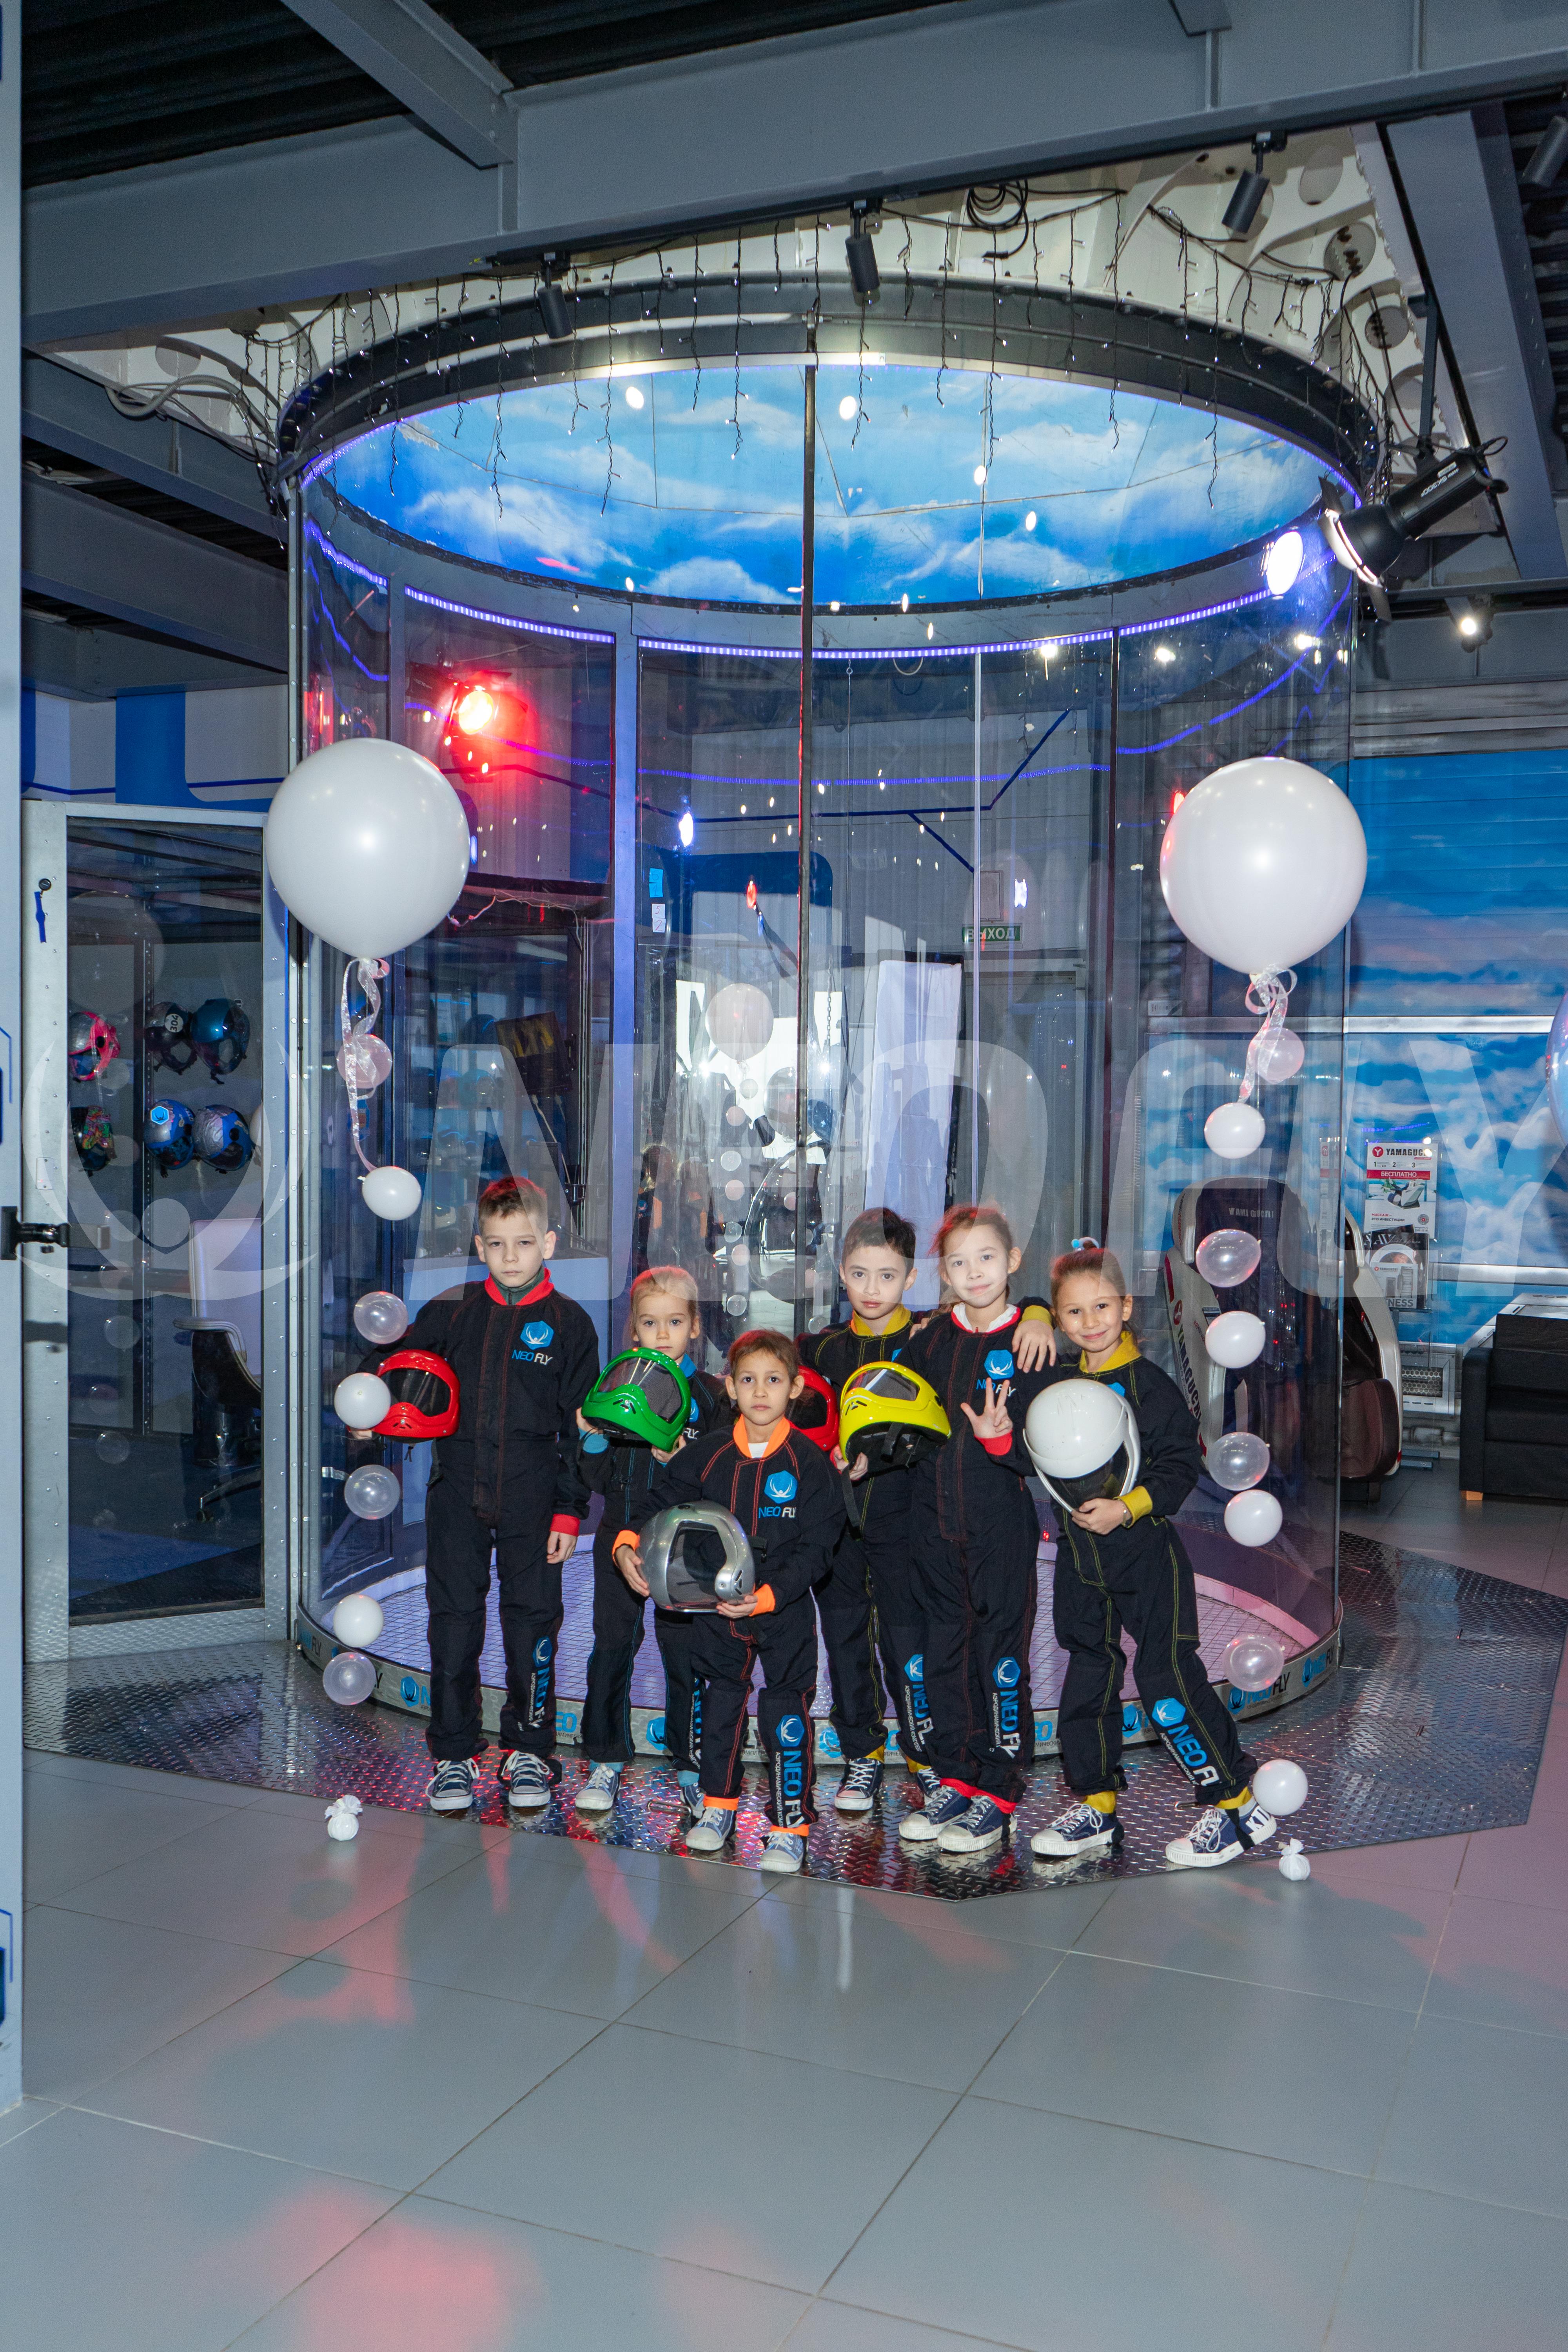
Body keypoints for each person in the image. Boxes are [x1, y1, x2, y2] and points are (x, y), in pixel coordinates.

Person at [350, 1174, 599, 1815]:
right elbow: (398, 1372)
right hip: (456, 1490)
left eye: (524, 1242)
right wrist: (369, 1410)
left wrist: (569, 1508)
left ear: (548, 1242)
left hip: (535, 1495)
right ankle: (454, 1753)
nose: (510, 1256)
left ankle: (530, 1750)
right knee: (453, 1623)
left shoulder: (570, 1325)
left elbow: (583, 1432)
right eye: (496, 1244)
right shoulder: (452, 1311)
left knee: (533, 1624)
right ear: (480, 1245)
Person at [1030, 1245, 1277, 1870]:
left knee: (1166, 1678)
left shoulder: (1152, 1387)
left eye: (1102, 1307)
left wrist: (1128, 1507)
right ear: (1059, 1320)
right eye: (1074, 1312)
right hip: (1081, 1558)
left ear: (1126, 1307)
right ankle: (1096, 1805)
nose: (1090, 1322)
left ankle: (1237, 1805)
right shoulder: (1060, 1386)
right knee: (1088, 1676)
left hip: (1145, 1556)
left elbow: (1180, 1467)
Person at [804, 1208, 1056, 1816]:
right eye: (859, 1274)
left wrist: (1040, 1311)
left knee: (958, 1656)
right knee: (901, 1651)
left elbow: (1045, 1446)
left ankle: (967, 1774)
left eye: (887, 1275)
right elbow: (862, 1424)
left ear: (913, 1277)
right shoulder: (868, 1345)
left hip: (950, 1527)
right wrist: (845, 1459)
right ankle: (919, 1766)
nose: (872, 1288)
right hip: (887, 1530)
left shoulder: (946, 1338)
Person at [613, 1327, 845, 1875]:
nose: (760, 1392)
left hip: (783, 1610)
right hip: (717, 1608)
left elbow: (819, 1548)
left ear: (795, 1388)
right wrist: (626, 1544)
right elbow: (657, 1502)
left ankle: (790, 1823)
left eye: (774, 1380)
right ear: (730, 1387)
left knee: (786, 1710)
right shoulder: (709, 1453)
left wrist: (770, 1596)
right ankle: (718, 1804)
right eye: (748, 1380)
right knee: (720, 1703)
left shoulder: (809, 1463)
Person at [882, 1203, 1053, 1857]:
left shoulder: (1031, 1344)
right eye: (958, 1262)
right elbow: (900, 1419)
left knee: (1000, 1658)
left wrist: (1002, 1440)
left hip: (1000, 1528)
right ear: (943, 1272)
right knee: (945, 1654)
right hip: (932, 1527)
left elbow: (1049, 1453)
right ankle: (956, 1776)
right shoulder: (928, 1342)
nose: (974, 1272)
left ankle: (1000, 1789)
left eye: (987, 1257)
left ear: (1013, 1261)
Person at [573, 1265, 728, 1820]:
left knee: (687, 1657)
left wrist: (687, 1459)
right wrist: (592, 1441)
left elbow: (724, 1477)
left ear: (695, 1327)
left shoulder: (711, 1395)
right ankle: (606, 1757)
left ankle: (691, 1765)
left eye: (675, 1322)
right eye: (650, 1323)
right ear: (633, 1329)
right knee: (612, 1647)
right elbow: (596, 1479)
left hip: (686, 1544)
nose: (663, 1334)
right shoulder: (616, 1386)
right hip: (619, 1535)